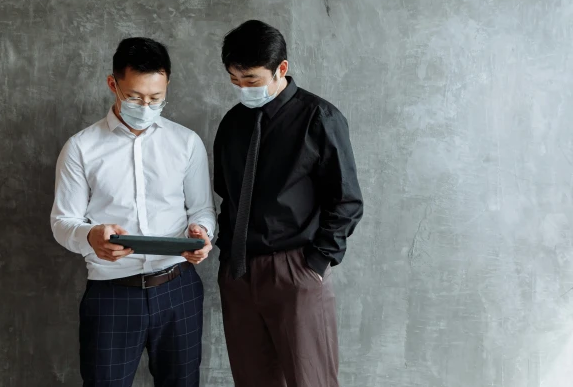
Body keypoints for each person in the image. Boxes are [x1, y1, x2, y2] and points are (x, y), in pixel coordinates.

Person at [50, 37, 216, 387]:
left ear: (167, 83)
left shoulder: (186, 142)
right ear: (113, 85)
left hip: (178, 288)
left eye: (156, 98)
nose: (146, 105)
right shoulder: (81, 147)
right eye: (135, 97)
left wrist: (202, 232)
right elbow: (62, 222)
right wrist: (90, 236)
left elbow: (201, 209)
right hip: (111, 293)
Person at [213, 20, 364, 387]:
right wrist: (229, 262)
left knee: (310, 381)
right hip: (239, 272)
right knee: (252, 380)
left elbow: (346, 200)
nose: (242, 88)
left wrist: (315, 263)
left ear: (281, 68)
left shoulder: (319, 118)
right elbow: (226, 193)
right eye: (234, 80)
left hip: (296, 270)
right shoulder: (233, 124)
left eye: (250, 79)